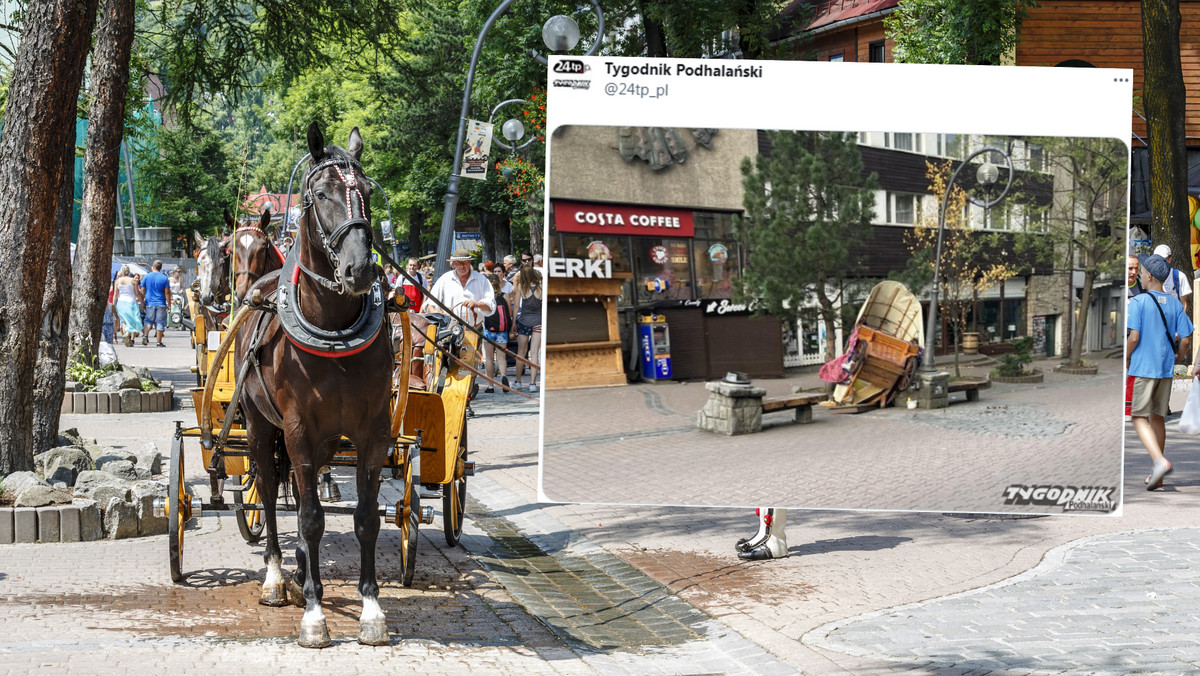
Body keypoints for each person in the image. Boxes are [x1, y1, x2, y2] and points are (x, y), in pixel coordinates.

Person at [1127, 253, 1194, 491]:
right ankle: (1159, 474)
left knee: (1137, 417)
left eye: (1143, 272)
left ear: (1149, 276)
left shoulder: (1139, 302)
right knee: (1157, 417)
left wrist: (1126, 359)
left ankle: (1159, 461)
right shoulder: (1175, 303)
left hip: (1144, 368)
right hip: (1165, 369)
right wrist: (1179, 358)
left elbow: (1134, 337)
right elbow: (1185, 339)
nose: (1141, 276)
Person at [422, 248, 495, 326]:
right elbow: (429, 304)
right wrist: (438, 314)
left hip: (475, 329)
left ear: (469, 262)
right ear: (453, 264)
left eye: (464, 262)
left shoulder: (481, 280)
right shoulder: (445, 279)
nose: (462, 266)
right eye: (458, 263)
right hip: (450, 329)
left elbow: (491, 306)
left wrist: (476, 304)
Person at [511, 265, 543, 393]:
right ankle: (533, 383)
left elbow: (516, 306)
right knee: (534, 352)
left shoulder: (521, 287)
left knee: (521, 352)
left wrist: (513, 322)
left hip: (524, 321)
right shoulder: (541, 287)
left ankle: (518, 381)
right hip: (539, 321)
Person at [480, 273, 512, 394]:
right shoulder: (505, 296)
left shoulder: (485, 299)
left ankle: (491, 386)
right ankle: (503, 376)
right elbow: (509, 313)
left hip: (488, 330)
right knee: (501, 357)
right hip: (502, 331)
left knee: (489, 358)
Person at [140, 260, 172, 347]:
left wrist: (142, 301)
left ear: (152, 267)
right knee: (160, 322)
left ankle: (145, 335)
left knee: (148, 321)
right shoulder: (164, 278)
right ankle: (159, 342)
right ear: (160, 268)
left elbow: (142, 290)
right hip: (161, 302)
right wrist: (169, 304)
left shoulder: (146, 276)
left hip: (150, 302)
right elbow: (167, 292)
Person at [1153, 244, 1192, 313]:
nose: (1160, 263)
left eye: (1163, 260)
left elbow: (1184, 303)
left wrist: (1180, 322)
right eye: (1157, 260)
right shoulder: (1149, 277)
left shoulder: (1179, 277)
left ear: (1169, 259)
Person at [112, 265, 144, 347]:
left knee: (125, 321)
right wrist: (142, 302)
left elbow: (115, 294)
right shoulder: (133, 281)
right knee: (132, 320)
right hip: (131, 302)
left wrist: (113, 304)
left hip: (121, 302)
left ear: (122, 271)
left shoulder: (117, 281)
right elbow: (137, 293)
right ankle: (127, 334)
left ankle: (125, 336)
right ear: (129, 271)